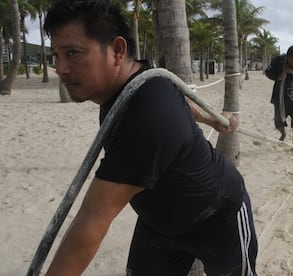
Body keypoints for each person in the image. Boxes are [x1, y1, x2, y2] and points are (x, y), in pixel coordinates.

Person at [43, 1, 258, 275]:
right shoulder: (141, 79)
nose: (61, 68)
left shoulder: (146, 115)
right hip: (158, 224)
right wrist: (211, 118)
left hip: (217, 215)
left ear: (118, 51)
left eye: (73, 53)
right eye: (56, 56)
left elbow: (92, 220)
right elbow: (178, 97)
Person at [264, 45, 293, 145]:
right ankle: (283, 134)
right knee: (278, 121)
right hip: (280, 98)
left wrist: (291, 72)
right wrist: (278, 76)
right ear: (287, 57)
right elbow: (268, 72)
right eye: (292, 61)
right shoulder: (278, 60)